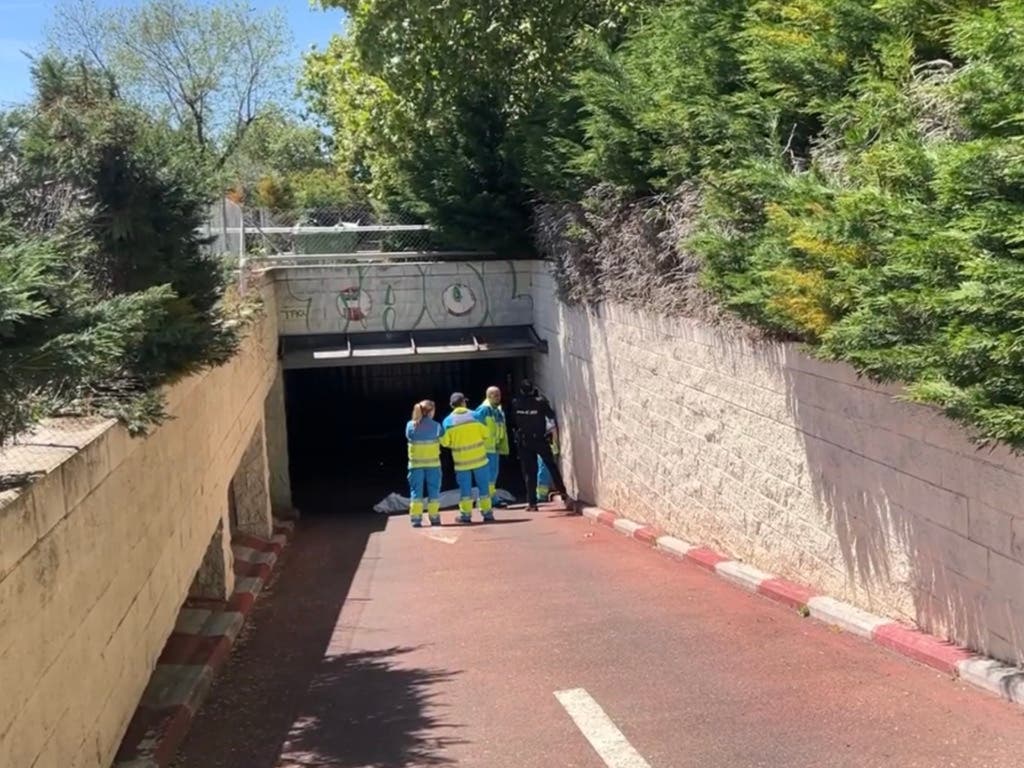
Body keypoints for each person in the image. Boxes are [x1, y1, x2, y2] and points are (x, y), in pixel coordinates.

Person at [510, 379, 573, 511]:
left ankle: (532, 503)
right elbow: (550, 415)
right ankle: (563, 494)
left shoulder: (516, 403)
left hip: (524, 442)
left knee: (529, 473)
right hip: (540, 440)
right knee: (551, 466)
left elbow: (512, 422)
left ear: (521, 391)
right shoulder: (540, 403)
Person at [440, 392, 494, 524]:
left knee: (465, 490)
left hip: (462, 462)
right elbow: (486, 434)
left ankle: (466, 515)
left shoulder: (447, 421)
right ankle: (487, 514)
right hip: (480, 460)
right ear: (464, 402)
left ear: (452, 405)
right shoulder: (476, 416)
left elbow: (445, 442)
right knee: (484, 488)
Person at [405, 400, 444, 527]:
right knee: (434, 492)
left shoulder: (410, 426)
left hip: (415, 466)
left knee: (416, 493)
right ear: (431, 411)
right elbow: (443, 437)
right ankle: (434, 517)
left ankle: (416, 519)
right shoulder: (437, 426)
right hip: (433, 465)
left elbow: (409, 436)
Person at [474, 386, 510, 508]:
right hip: (485, 448)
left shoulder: (497, 410)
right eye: (495, 395)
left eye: (499, 395)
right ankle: (484, 499)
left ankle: (491, 497)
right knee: (487, 475)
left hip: (494, 448)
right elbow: (476, 427)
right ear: (488, 396)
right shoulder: (483, 410)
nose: (498, 397)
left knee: (493, 475)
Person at [535, 417, 559, 503]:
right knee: (542, 468)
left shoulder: (545, 418)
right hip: (546, 446)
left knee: (543, 469)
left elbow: (551, 432)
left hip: (547, 446)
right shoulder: (547, 417)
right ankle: (541, 493)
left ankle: (541, 494)